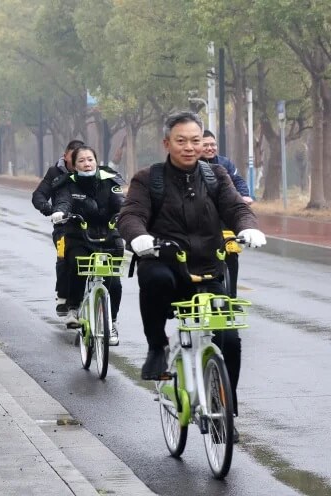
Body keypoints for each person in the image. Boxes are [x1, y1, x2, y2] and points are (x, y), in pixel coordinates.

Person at [118, 110, 266, 441]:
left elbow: (236, 208)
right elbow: (131, 215)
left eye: (195, 140)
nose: (189, 147)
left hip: (208, 270)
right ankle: (157, 346)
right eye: (181, 141)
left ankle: (224, 408)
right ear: (167, 143)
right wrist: (138, 237)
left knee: (229, 337)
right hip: (165, 264)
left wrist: (248, 227)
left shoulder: (216, 177)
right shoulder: (148, 179)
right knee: (155, 280)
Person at [50, 145, 125, 346]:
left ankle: (112, 321)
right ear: (74, 165)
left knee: (114, 283)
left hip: (108, 236)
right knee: (76, 266)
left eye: (90, 159)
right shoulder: (67, 184)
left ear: (96, 160)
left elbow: (120, 201)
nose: (87, 163)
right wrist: (60, 212)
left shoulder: (109, 180)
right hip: (79, 237)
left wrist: (124, 213)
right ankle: (73, 307)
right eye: (81, 160)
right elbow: (63, 202)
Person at [32, 139, 84, 316]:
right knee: (65, 256)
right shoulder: (55, 173)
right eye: (74, 157)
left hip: (88, 226)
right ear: (66, 157)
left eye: (83, 158)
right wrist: (49, 210)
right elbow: (39, 195)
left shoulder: (91, 172)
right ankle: (63, 296)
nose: (80, 162)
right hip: (64, 226)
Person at [201, 129, 253, 297]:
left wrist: (244, 195)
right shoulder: (190, 164)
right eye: (205, 145)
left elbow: (238, 181)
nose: (210, 148)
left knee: (231, 254)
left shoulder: (225, 164)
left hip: (224, 218)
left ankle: (232, 297)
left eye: (213, 144)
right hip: (200, 219)